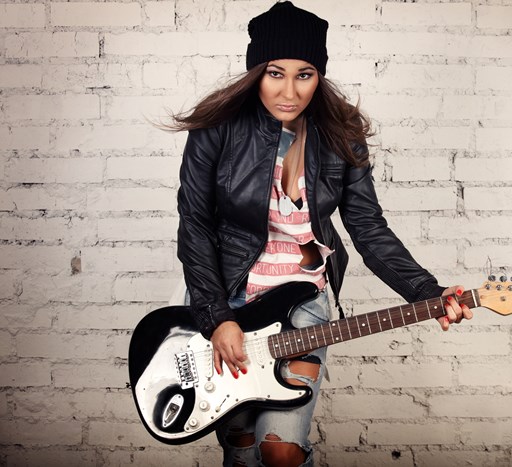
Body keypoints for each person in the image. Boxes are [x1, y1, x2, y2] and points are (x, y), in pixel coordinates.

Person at [171, 2, 472, 466]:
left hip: (303, 305)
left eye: (305, 75)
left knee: (282, 451)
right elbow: (193, 224)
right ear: (256, 72)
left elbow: (367, 226)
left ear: (320, 75)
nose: (289, 91)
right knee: (242, 447)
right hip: (228, 299)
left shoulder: (341, 133)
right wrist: (216, 317)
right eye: (275, 73)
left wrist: (426, 291)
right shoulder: (217, 128)